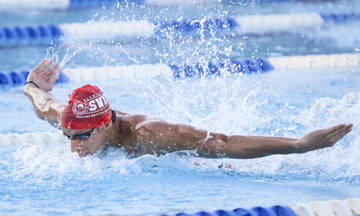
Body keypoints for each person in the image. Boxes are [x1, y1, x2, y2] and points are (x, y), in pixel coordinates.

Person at [24, 59, 353, 158]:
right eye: (68, 135)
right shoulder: (70, 118)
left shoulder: (150, 135)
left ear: (105, 125)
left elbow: (224, 142)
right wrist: (33, 85)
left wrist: (299, 145)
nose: (73, 146)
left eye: (80, 137)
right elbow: (43, 103)